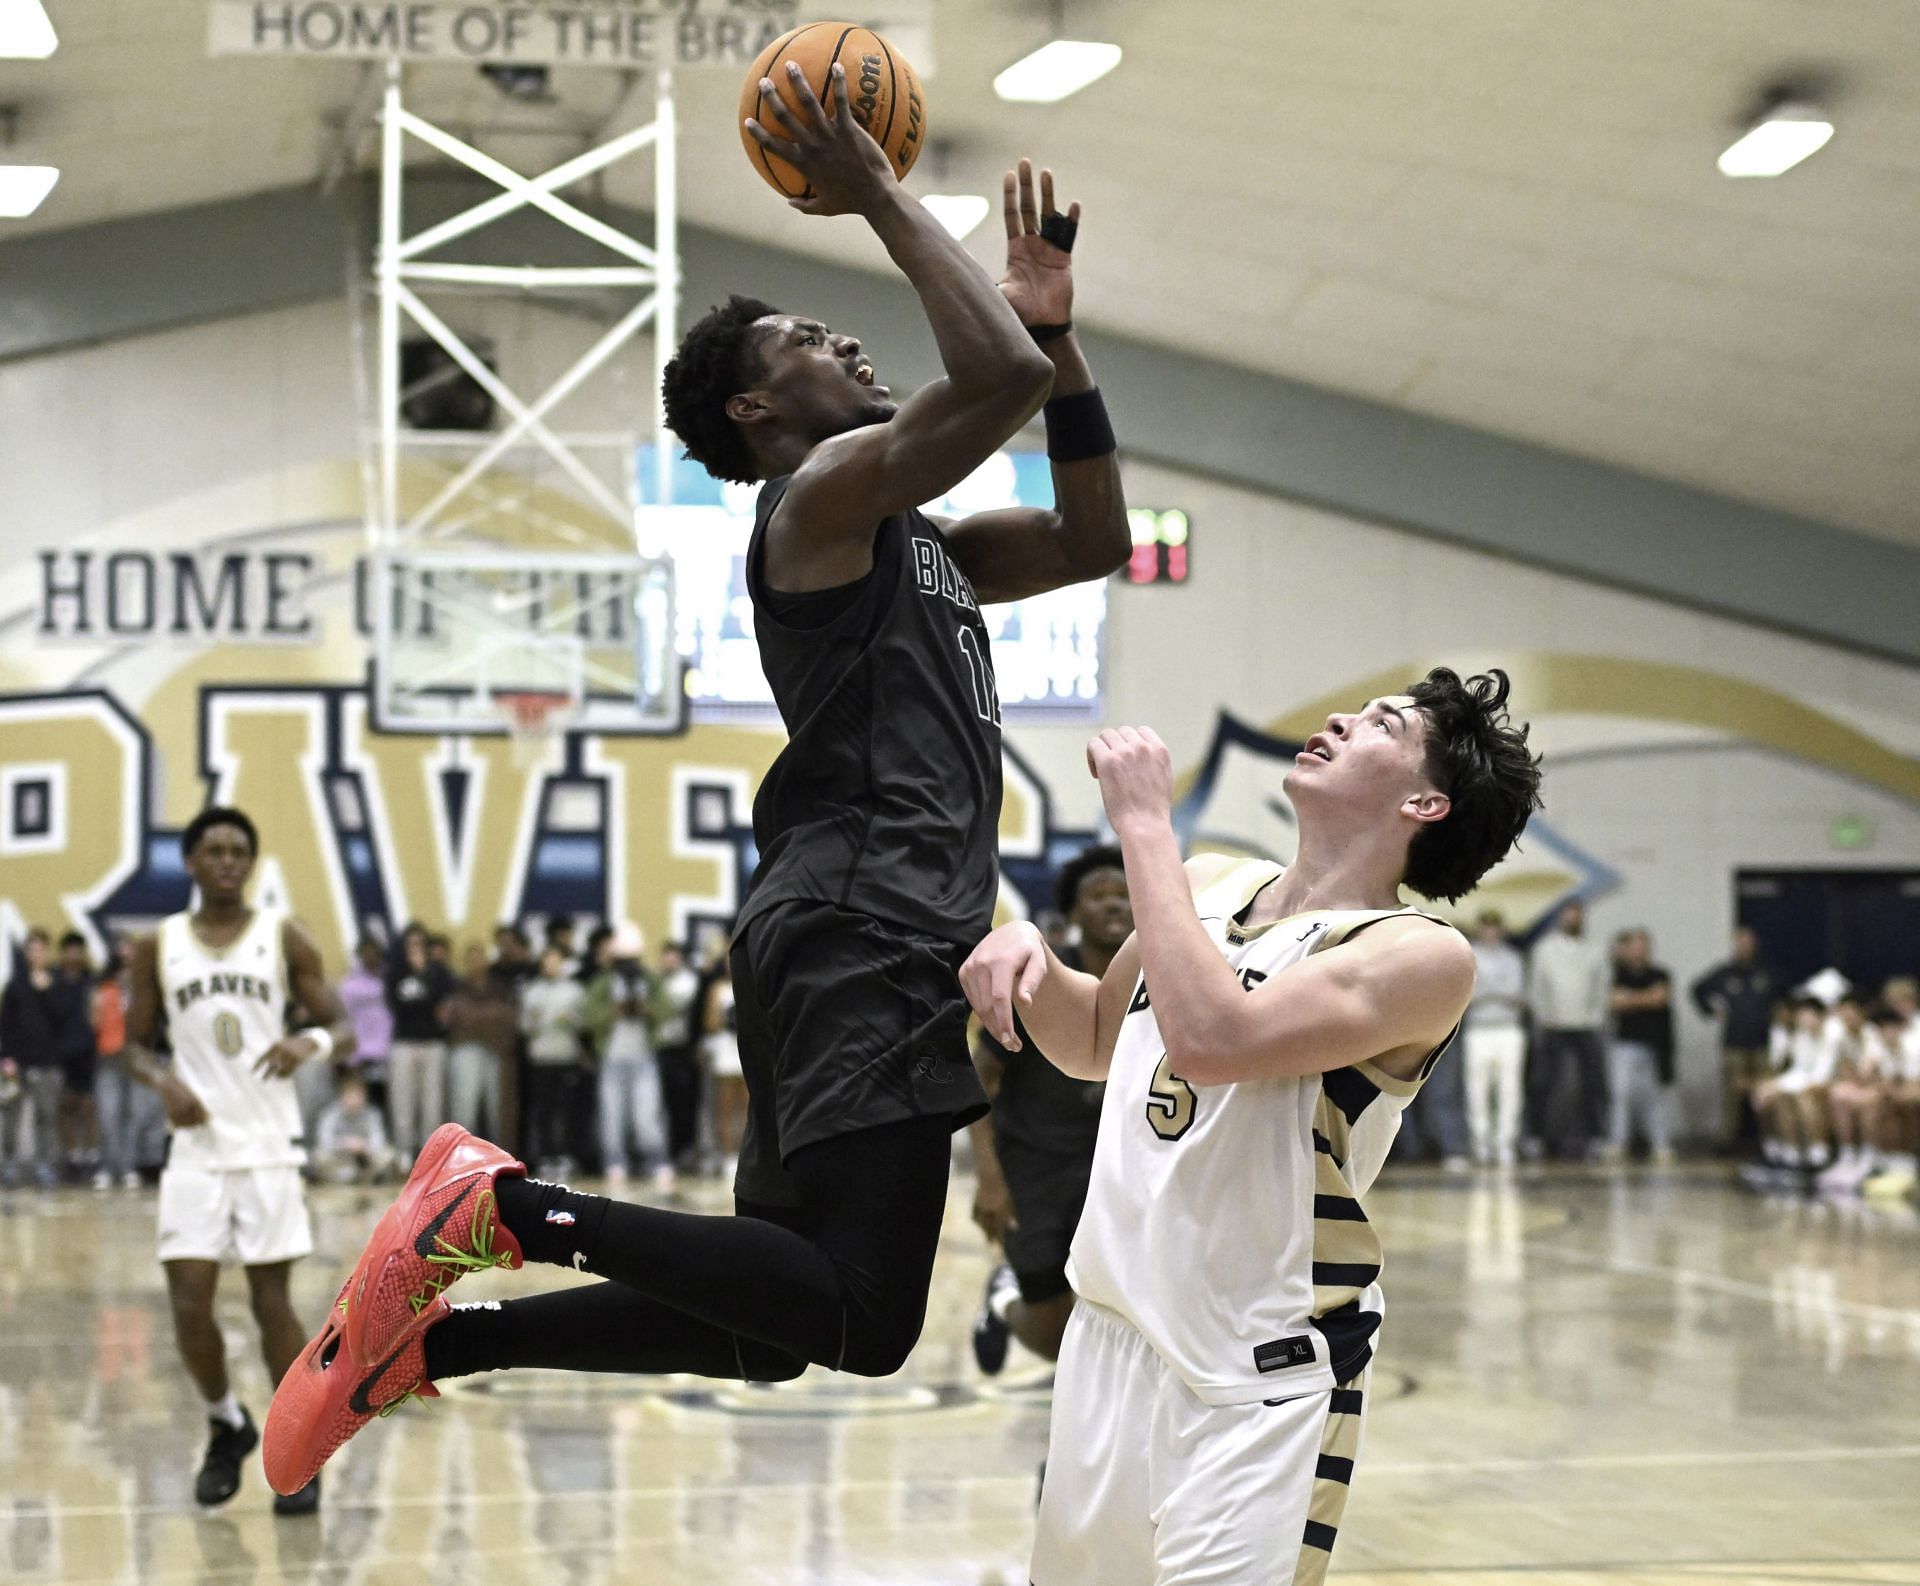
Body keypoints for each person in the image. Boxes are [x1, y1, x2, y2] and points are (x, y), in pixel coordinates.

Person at [261, 102, 1130, 1501]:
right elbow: (989, 387)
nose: (845, 342)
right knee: (861, 1314)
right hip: (872, 918)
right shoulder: (817, 499)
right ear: (754, 409)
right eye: (803, 339)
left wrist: (1059, 332)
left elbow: (1097, 536)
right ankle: (503, 1207)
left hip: (840, 922)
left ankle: (441, 1346)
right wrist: (879, 205)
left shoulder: (921, 539)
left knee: (770, 1331)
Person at [958, 672, 1541, 1584]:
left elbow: (1214, 1039)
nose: (1342, 717)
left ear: (1426, 801)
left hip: (1257, 1366)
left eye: (1384, 724)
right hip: (1111, 1332)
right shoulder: (1208, 884)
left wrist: (1146, 827)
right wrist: (1023, 953)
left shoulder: (1418, 954)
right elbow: (1101, 1041)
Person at [119, 805, 355, 1515]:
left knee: (270, 1302)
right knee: (188, 1303)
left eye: (239, 850)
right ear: (190, 862)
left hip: (267, 1147)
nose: (227, 860)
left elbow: (342, 1024)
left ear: (250, 862)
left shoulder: (281, 936)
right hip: (195, 1146)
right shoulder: (157, 944)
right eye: (214, 849)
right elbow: (132, 1043)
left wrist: (304, 1044)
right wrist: (163, 1083)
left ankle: (297, 1447)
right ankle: (226, 1425)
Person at [969, 844, 1130, 1375]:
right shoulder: (1041, 985)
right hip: (1034, 1169)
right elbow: (979, 1082)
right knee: (1052, 1334)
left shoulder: (1160, 981)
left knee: (1121, 1329)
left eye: (1122, 894)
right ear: (1072, 912)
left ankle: (1074, 1456)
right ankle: (1004, 1302)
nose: (1112, 905)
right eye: (1096, 895)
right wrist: (989, 1178)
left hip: (1118, 1174)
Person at [585, 923, 674, 1192]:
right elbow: (589, 1017)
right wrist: (615, 1011)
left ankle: (657, 1161)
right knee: (612, 1116)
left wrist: (648, 1009)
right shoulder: (602, 982)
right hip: (612, 1059)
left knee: (647, 1115)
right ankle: (615, 1162)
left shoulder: (650, 981)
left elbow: (667, 1009)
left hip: (643, 1057)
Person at [1526, 899, 1610, 1159]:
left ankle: (1595, 1137)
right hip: (1553, 1025)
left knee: (1592, 1084)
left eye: (1577, 915)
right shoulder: (1545, 949)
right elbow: (1536, 987)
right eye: (1568, 915)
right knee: (1544, 1083)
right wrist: (1543, 1016)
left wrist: (1596, 1018)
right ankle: (1536, 1136)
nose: (1573, 919)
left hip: (1586, 1026)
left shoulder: (1594, 950)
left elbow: (1602, 987)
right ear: (1561, 917)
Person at [1689, 926, 1776, 1151]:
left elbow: (1783, 997)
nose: (1745, 947)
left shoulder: (1765, 972)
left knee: (1765, 1092)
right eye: (1740, 943)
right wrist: (1711, 1011)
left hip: (1763, 1043)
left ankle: (1770, 1139)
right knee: (1732, 1094)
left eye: (1748, 943)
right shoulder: (1724, 973)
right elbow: (1697, 989)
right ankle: (1728, 1139)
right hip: (1734, 1043)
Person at [1600, 928, 1675, 1165]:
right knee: (1620, 1095)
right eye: (1634, 946)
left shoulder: (1660, 973)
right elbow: (1614, 1002)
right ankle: (1618, 1141)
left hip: (1654, 1043)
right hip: (1624, 1044)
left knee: (1654, 1097)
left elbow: (1660, 998)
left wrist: (1630, 999)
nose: (1638, 951)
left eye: (1643, 946)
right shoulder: (1617, 974)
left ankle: (1660, 1143)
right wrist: (1644, 998)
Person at [1462, 911, 1527, 1168]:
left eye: (1494, 927)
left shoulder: (1513, 958)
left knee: (1509, 1089)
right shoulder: (1468, 954)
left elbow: (1516, 993)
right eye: (1485, 927)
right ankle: (1480, 1145)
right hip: (1477, 1030)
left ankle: (1505, 1146)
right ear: (1479, 929)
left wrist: (1486, 990)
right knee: (1476, 1089)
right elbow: (1469, 994)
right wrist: (1496, 992)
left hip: (1509, 1029)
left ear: (1501, 930)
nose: (1490, 932)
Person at [384, 924, 454, 1165]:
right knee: (403, 1098)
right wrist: (424, 1004)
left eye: (419, 944)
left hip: (433, 1043)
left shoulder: (439, 972)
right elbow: (396, 1006)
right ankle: (404, 1150)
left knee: (432, 1101)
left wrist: (422, 975)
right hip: (403, 1041)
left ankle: (430, 1153)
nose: (414, 949)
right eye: (410, 944)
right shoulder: (394, 972)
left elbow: (442, 1008)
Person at [0, 930, 63, 1188]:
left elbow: (62, 1020)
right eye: (31, 949)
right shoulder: (15, 986)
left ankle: (45, 1165)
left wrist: (45, 991)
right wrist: (6, 1058)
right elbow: (5, 1025)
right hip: (18, 1063)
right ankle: (9, 1164)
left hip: (47, 1063)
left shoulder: (57, 983)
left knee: (46, 1115)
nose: (35, 954)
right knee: (12, 1114)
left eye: (40, 949)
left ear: (46, 952)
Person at [519, 945, 587, 1177]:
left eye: (556, 961)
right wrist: (534, 1020)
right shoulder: (532, 991)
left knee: (567, 1110)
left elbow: (584, 1023)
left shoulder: (574, 991)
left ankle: (565, 1155)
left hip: (565, 1056)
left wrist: (572, 1019)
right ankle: (547, 1156)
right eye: (547, 961)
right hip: (541, 1058)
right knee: (544, 1111)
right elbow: (524, 1027)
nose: (551, 966)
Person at [92, 938, 149, 1190]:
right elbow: (93, 1021)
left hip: (135, 1054)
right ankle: (108, 1166)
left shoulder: (144, 988)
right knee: (108, 1113)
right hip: (109, 1056)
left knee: (134, 1114)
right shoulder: (104, 989)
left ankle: (129, 1167)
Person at [445, 943, 516, 1141]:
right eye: (470, 959)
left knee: (498, 1108)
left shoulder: (499, 988)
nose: (475, 963)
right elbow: (455, 1016)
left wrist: (480, 1020)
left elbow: (507, 1016)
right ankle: (463, 1155)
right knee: (464, 1106)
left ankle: (499, 1156)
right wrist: (487, 1019)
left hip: (496, 1049)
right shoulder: (457, 987)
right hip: (465, 1047)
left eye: (479, 958)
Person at [648, 941, 705, 1170]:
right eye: (665, 956)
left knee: (685, 1103)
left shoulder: (689, 982)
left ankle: (686, 1150)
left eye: (673, 956)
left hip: (683, 1050)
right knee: (662, 1103)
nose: (668, 961)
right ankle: (667, 1151)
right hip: (660, 1049)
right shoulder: (657, 982)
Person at [50, 932, 101, 1184]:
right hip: (61, 1052)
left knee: (88, 1106)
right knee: (65, 1105)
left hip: (88, 1051)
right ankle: (72, 1156)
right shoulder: (54, 981)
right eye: (68, 949)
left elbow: (98, 1017)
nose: (73, 955)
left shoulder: (91, 980)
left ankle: (91, 1155)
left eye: (77, 949)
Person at [338, 936, 394, 1116]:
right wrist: (351, 1056)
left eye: (374, 951)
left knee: (392, 1101)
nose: (370, 955)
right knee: (366, 1101)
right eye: (365, 952)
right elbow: (343, 1019)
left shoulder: (390, 978)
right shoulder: (350, 984)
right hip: (362, 1053)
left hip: (389, 1050)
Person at [313, 1073, 398, 1185]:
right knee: (319, 1156)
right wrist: (344, 1144)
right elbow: (324, 1142)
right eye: (350, 1096)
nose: (353, 1100)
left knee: (388, 1154)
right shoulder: (330, 1114)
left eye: (357, 1096)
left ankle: (362, 1177)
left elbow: (379, 1141)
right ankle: (346, 1178)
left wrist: (363, 1146)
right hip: (340, 1159)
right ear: (342, 1097)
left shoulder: (372, 1115)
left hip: (365, 1159)